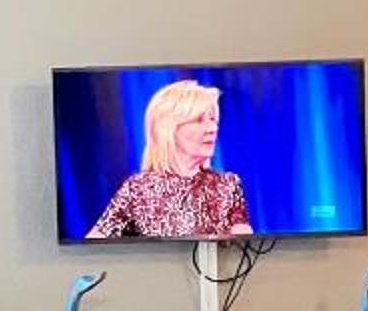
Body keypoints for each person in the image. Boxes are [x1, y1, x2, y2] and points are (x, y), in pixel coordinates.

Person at [85, 79, 252, 239]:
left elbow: (244, 244)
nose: (212, 128)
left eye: (213, 120)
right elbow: (93, 244)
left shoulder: (227, 185)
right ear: (168, 129)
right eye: (199, 120)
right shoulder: (138, 189)